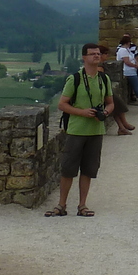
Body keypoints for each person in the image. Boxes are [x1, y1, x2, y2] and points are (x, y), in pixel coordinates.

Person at [47, 43, 114, 218]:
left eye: (98, 54)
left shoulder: (103, 79)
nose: (96, 56)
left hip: (95, 130)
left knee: (88, 170)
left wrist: (105, 112)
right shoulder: (74, 79)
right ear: (84, 57)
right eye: (92, 54)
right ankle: (61, 205)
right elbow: (62, 104)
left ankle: (82, 205)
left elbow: (110, 102)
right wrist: (83, 112)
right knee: (68, 169)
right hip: (76, 130)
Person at [118, 35, 138, 105]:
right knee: (136, 86)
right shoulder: (123, 50)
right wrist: (135, 65)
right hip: (129, 71)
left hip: (131, 71)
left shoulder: (126, 50)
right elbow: (126, 61)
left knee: (136, 85)